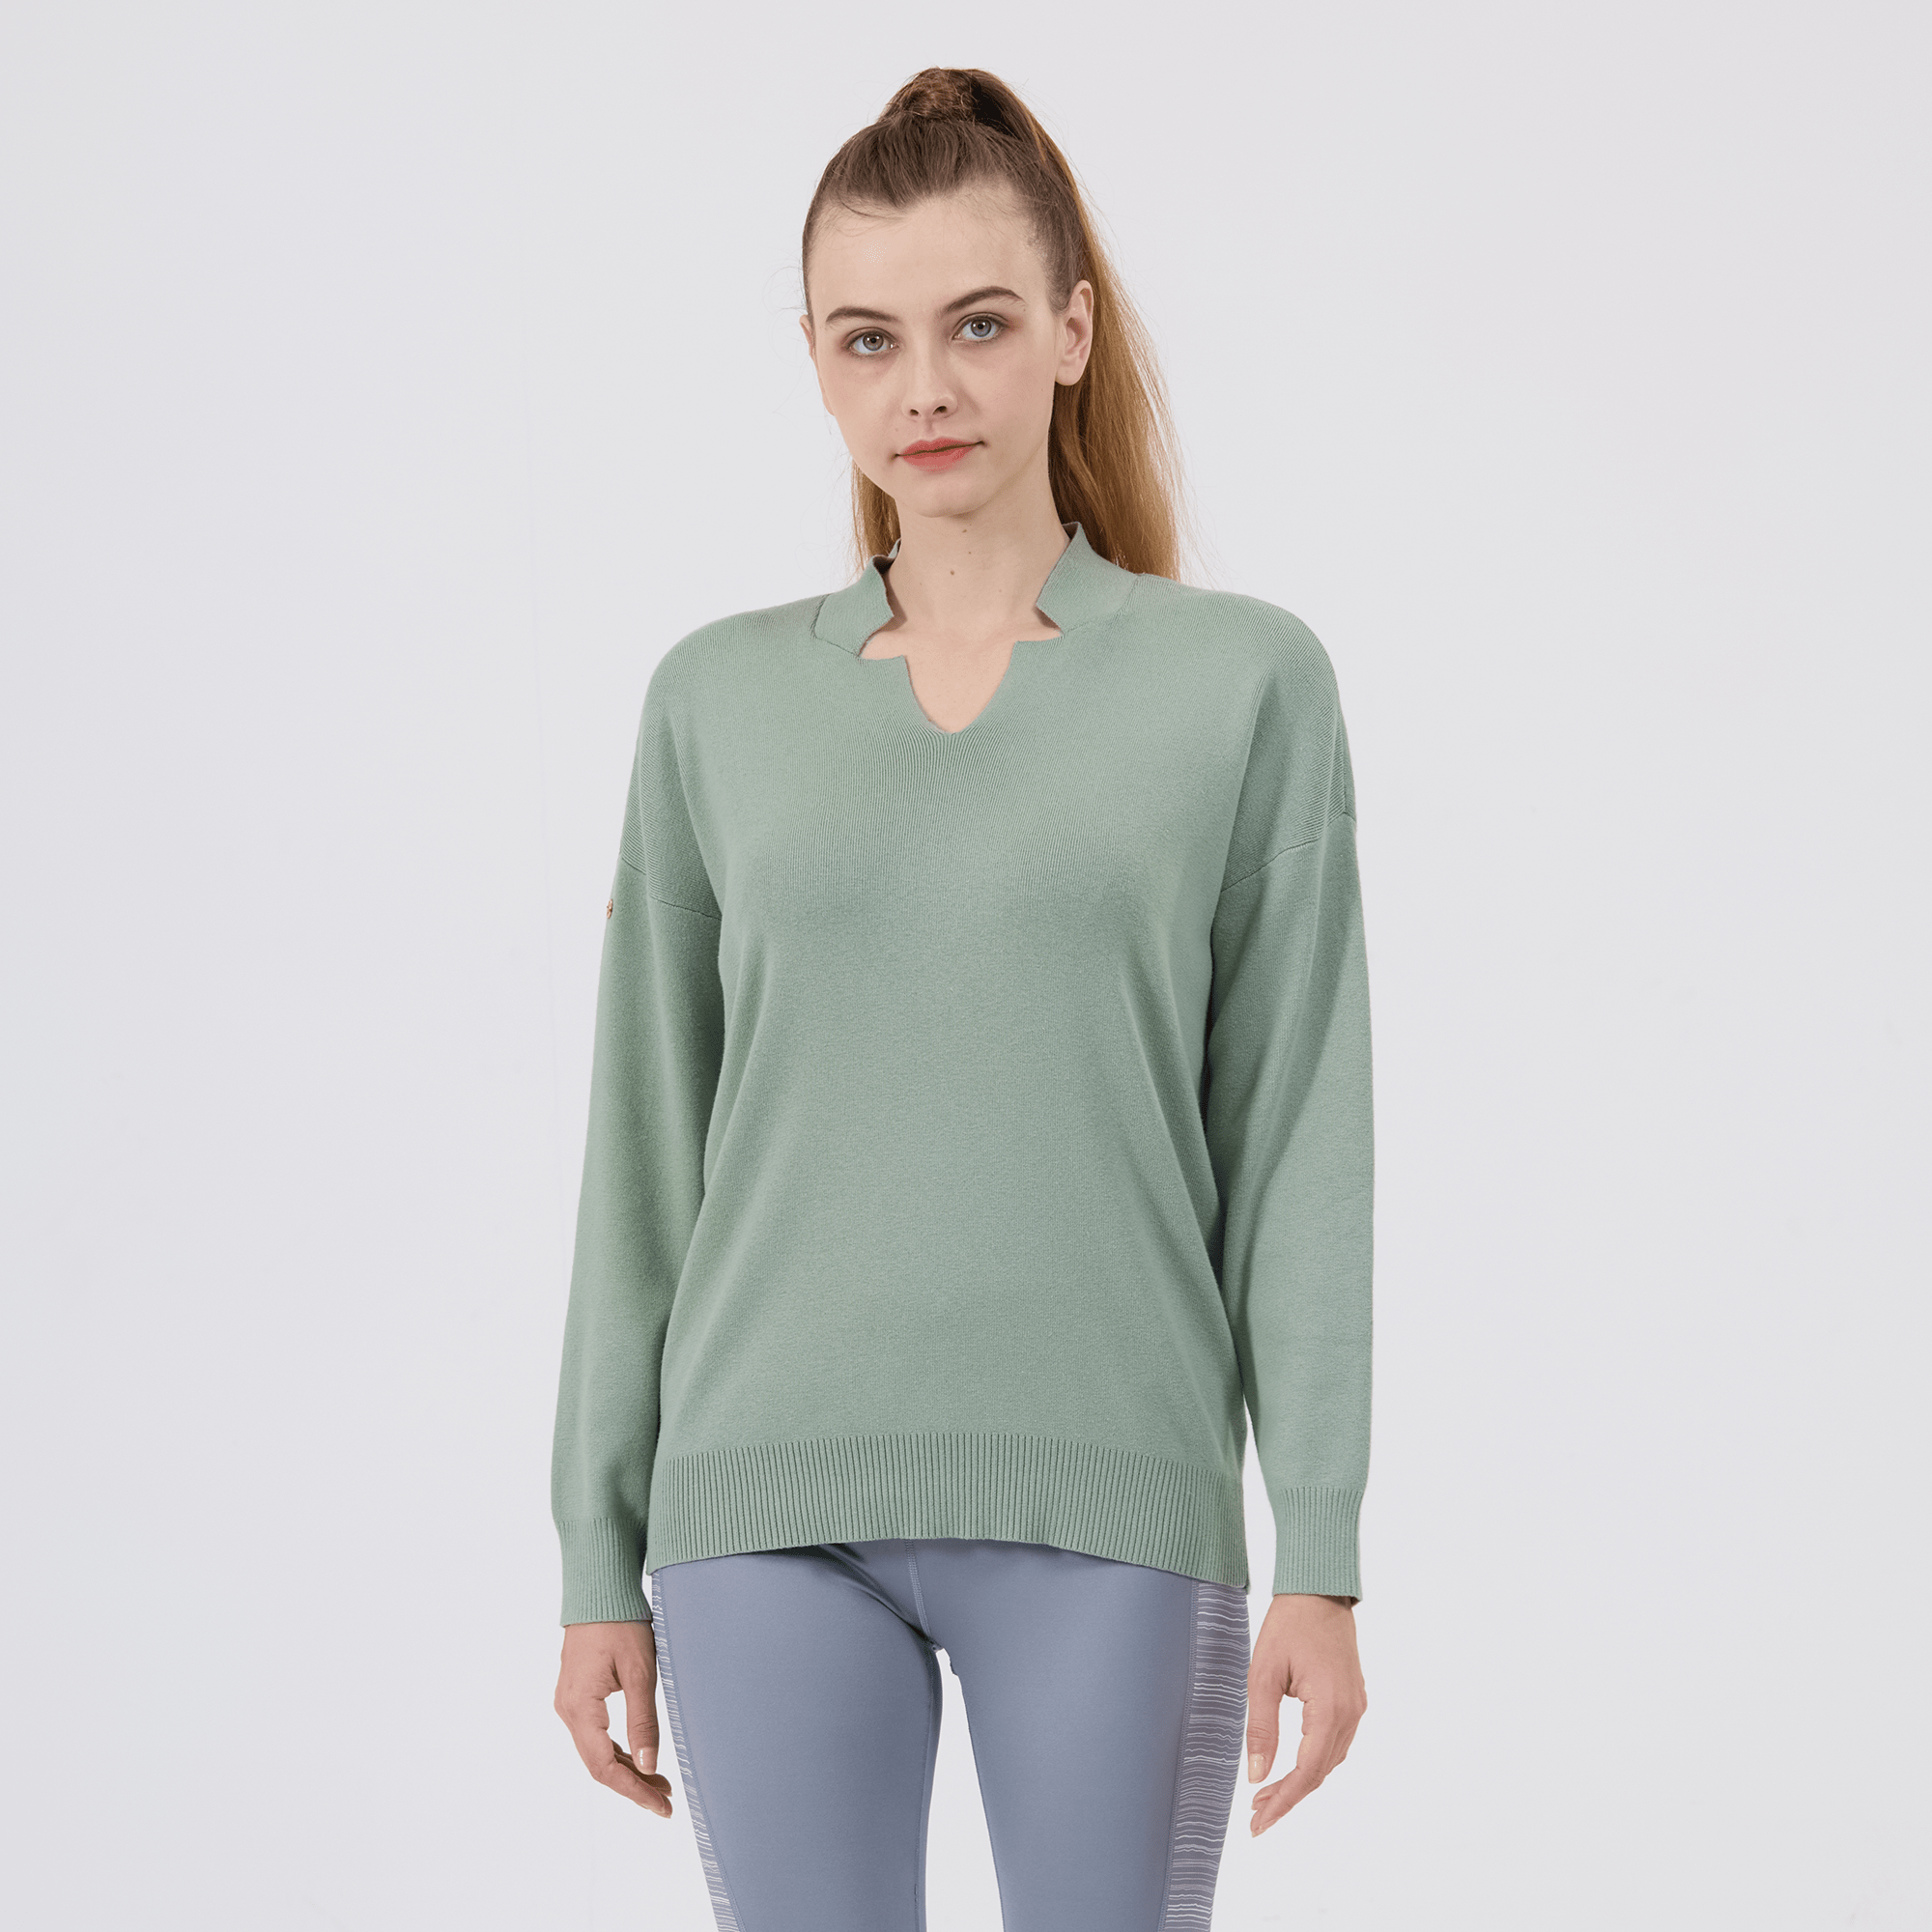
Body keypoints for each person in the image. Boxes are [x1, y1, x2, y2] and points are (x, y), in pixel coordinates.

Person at [549, 65, 1373, 1932]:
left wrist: (1319, 1546)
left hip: (1115, 1494)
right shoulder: (715, 703)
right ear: (819, 365)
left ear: (1072, 331)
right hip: (758, 1506)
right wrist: (598, 1553)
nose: (925, 386)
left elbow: (1302, 1130)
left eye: (979, 324)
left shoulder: (1244, 685)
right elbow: (643, 1144)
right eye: (870, 337)